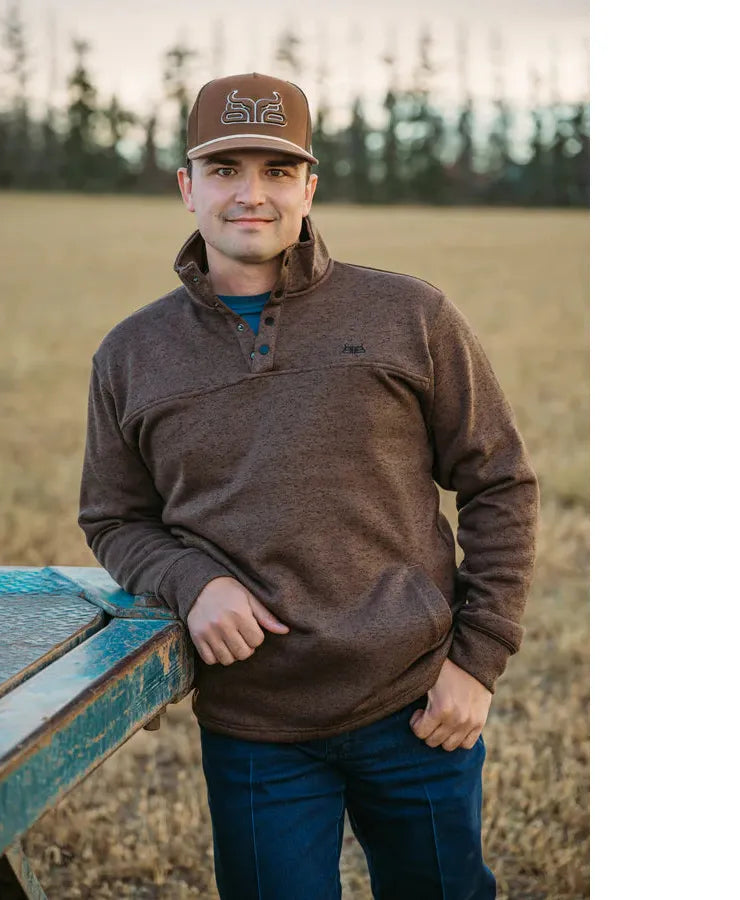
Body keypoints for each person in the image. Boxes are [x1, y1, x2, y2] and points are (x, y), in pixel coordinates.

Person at [79, 71, 539, 900]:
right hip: (256, 725)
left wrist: (477, 661)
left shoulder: (409, 315)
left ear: (309, 187)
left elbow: (500, 481)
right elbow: (114, 517)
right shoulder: (131, 354)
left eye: (278, 170)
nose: (251, 194)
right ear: (187, 186)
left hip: (417, 703)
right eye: (225, 169)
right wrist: (192, 580)